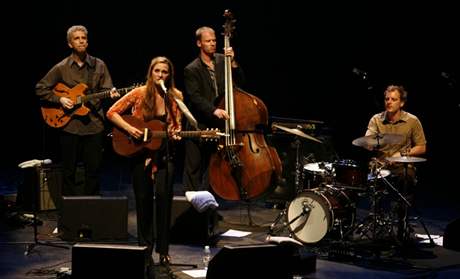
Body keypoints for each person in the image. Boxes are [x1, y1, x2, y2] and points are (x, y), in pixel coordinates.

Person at [106, 56, 182, 273]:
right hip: (140, 154)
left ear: (170, 75)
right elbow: (111, 112)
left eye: (165, 72)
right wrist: (130, 129)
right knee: (143, 201)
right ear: (151, 73)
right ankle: (145, 250)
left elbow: (176, 127)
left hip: (164, 156)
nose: (160, 75)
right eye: (157, 71)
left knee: (164, 201)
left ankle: (164, 251)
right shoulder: (139, 93)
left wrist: (176, 135)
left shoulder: (175, 96)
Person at [36, 25, 119, 196]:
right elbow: (41, 88)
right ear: (69, 44)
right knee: (69, 172)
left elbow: (107, 88)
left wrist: (111, 93)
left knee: (94, 172)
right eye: (77, 38)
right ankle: (70, 213)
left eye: (84, 38)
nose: (81, 41)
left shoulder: (99, 65)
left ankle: (91, 207)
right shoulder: (62, 67)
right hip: (69, 126)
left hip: (94, 125)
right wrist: (60, 99)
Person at [182, 26, 244, 192]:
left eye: (214, 40)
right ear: (199, 43)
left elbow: (240, 83)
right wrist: (213, 110)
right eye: (208, 41)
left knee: (212, 168)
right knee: (194, 168)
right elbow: (194, 98)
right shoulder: (191, 69)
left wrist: (233, 62)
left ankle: (207, 206)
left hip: (219, 124)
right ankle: (191, 205)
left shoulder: (223, 60)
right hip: (199, 124)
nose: (212, 43)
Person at [364, 84, 426, 243]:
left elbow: (421, 147)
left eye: (393, 99)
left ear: (402, 103)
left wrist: (402, 154)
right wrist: (369, 143)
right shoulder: (376, 119)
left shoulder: (412, 121)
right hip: (380, 165)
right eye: (387, 99)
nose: (389, 102)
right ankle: (376, 220)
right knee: (372, 178)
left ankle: (401, 221)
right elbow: (367, 140)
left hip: (402, 165)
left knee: (407, 177)